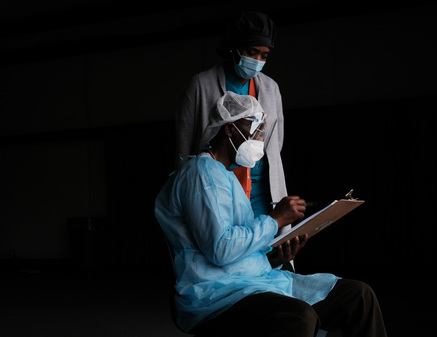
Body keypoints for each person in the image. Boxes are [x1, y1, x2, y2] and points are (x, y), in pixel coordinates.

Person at [155, 92, 388, 337]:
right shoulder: (201, 174)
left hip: (255, 281)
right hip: (215, 293)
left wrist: (275, 258)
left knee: (358, 295)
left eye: (262, 131)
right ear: (229, 129)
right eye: (254, 128)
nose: (258, 139)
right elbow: (221, 249)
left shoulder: (226, 176)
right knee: (298, 316)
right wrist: (276, 219)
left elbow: (238, 251)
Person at [175, 11, 298, 270]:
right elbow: (185, 150)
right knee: (225, 260)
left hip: (262, 193)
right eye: (252, 52)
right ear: (234, 47)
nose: (257, 61)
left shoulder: (270, 88)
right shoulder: (201, 86)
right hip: (219, 192)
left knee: (269, 263)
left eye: (264, 56)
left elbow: (275, 145)